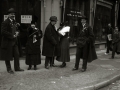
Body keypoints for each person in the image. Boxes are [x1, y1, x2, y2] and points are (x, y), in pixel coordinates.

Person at [0, 8, 24, 74]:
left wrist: (17, 31)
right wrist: (12, 35)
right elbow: (3, 32)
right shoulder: (5, 22)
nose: (13, 15)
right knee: (7, 56)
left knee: (17, 54)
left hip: (14, 42)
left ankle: (17, 68)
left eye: (14, 14)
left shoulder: (15, 22)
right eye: (11, 14)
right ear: (8, 15)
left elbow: (18, 30)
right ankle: (9, 69)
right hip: (7, 42)